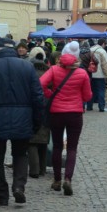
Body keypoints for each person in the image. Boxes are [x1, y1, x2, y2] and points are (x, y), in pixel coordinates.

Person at [0, 38, 44, 206]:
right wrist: (37, 120)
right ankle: (18, 186)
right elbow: (38, 96)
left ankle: (1, 194)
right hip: (23, 117)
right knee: (20, 154)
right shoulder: (27, 67)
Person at [39, 49, 92, 196]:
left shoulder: (54, 70)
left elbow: (40, 84)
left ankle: (57, 180)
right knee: (72, 148)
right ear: (75, 62)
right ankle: (68, 179)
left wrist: (51, 94)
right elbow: (87, 97)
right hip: (75, 113)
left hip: (57, 113)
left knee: (57, 146)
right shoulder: (82, 73)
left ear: (61, 61)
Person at [27, 46, 50, 178]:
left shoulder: (29, 72)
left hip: (32, 107)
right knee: (43, 140)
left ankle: (34, 170)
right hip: (47, 108)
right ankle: (42, 169)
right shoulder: (49, 72)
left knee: (32, 141)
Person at [88, 38, 107, 112]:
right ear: (103, 43)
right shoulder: (102, 51)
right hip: (99, 75)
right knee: (101, 91)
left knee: (91, 91)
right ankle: (101, 107)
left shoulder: (90, 49)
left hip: (90, 74)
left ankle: (89, 106)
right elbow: (105, 65)